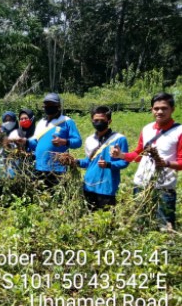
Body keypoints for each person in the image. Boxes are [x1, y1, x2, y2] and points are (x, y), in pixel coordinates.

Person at [111, 92, 182, 229]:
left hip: (164, 187)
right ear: (151, 110)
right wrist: (121, 155)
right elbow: (139, 154)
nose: (159, 111)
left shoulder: (179, 131)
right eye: (156, 108)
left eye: (164, 108)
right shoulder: (147, 129)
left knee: (164, 227)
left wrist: (166, 163)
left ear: (172, 109)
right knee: (139, 224)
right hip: (141, 185)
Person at [19, 93, 82, 189]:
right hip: (39, 167)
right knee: (40, 196)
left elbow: (78, 141)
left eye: (52, 105)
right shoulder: (41, 123)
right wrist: (26, 142)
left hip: (57, 168)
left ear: (59, 106)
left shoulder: (67, 121)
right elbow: (36, 143)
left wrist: (64, 141)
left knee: (57, 198)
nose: (49, 107)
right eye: (47, 105)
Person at [75, 106, 128, 210]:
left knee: (107, 221)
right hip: (89, 185)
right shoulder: (90, 140)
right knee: (89, 219)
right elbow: (88, 162)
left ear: (109, 121)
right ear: (92, 120)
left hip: (107, 188)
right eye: (96, 120)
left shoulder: (119, 139)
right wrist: (75, 162)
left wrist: (108, 165)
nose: (98, 122)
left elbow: (124, 162)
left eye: (102, 120)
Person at [0, 111, 21, 196]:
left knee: (12, 194)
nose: (8, 122)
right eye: (6, 120)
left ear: (15, 121)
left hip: (13, 168)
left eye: (11, 120)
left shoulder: (19, 134)